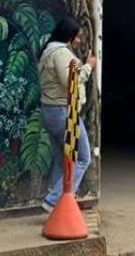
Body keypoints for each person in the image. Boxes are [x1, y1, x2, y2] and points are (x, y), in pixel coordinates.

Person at [38, 17, 96, 210]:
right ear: (68, 35)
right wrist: (89, 67)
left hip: (49, 111)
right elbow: (71, 81)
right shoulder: (61, 53)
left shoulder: (47, 51)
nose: (78, 41)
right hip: (63, 112)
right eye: (77, 36)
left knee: (61, 160)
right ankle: (53, 200)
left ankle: (53, 204)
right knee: (83, 157)